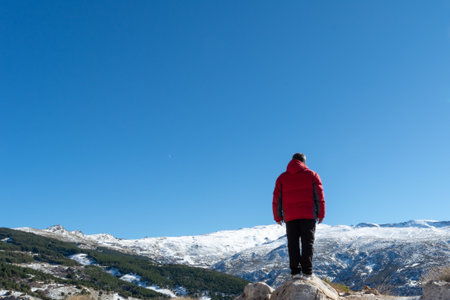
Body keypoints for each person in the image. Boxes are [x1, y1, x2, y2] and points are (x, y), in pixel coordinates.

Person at [272, 153, 325, 280]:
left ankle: (295, 272)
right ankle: (307, 273)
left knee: (293, 244)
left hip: (290, 217)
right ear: (304, 162)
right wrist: (321, 213)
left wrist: (277, 216)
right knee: (308, 243)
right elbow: (319, 196)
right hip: (308, 215)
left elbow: (276, 199)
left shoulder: (282, 178)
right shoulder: (312, 175)